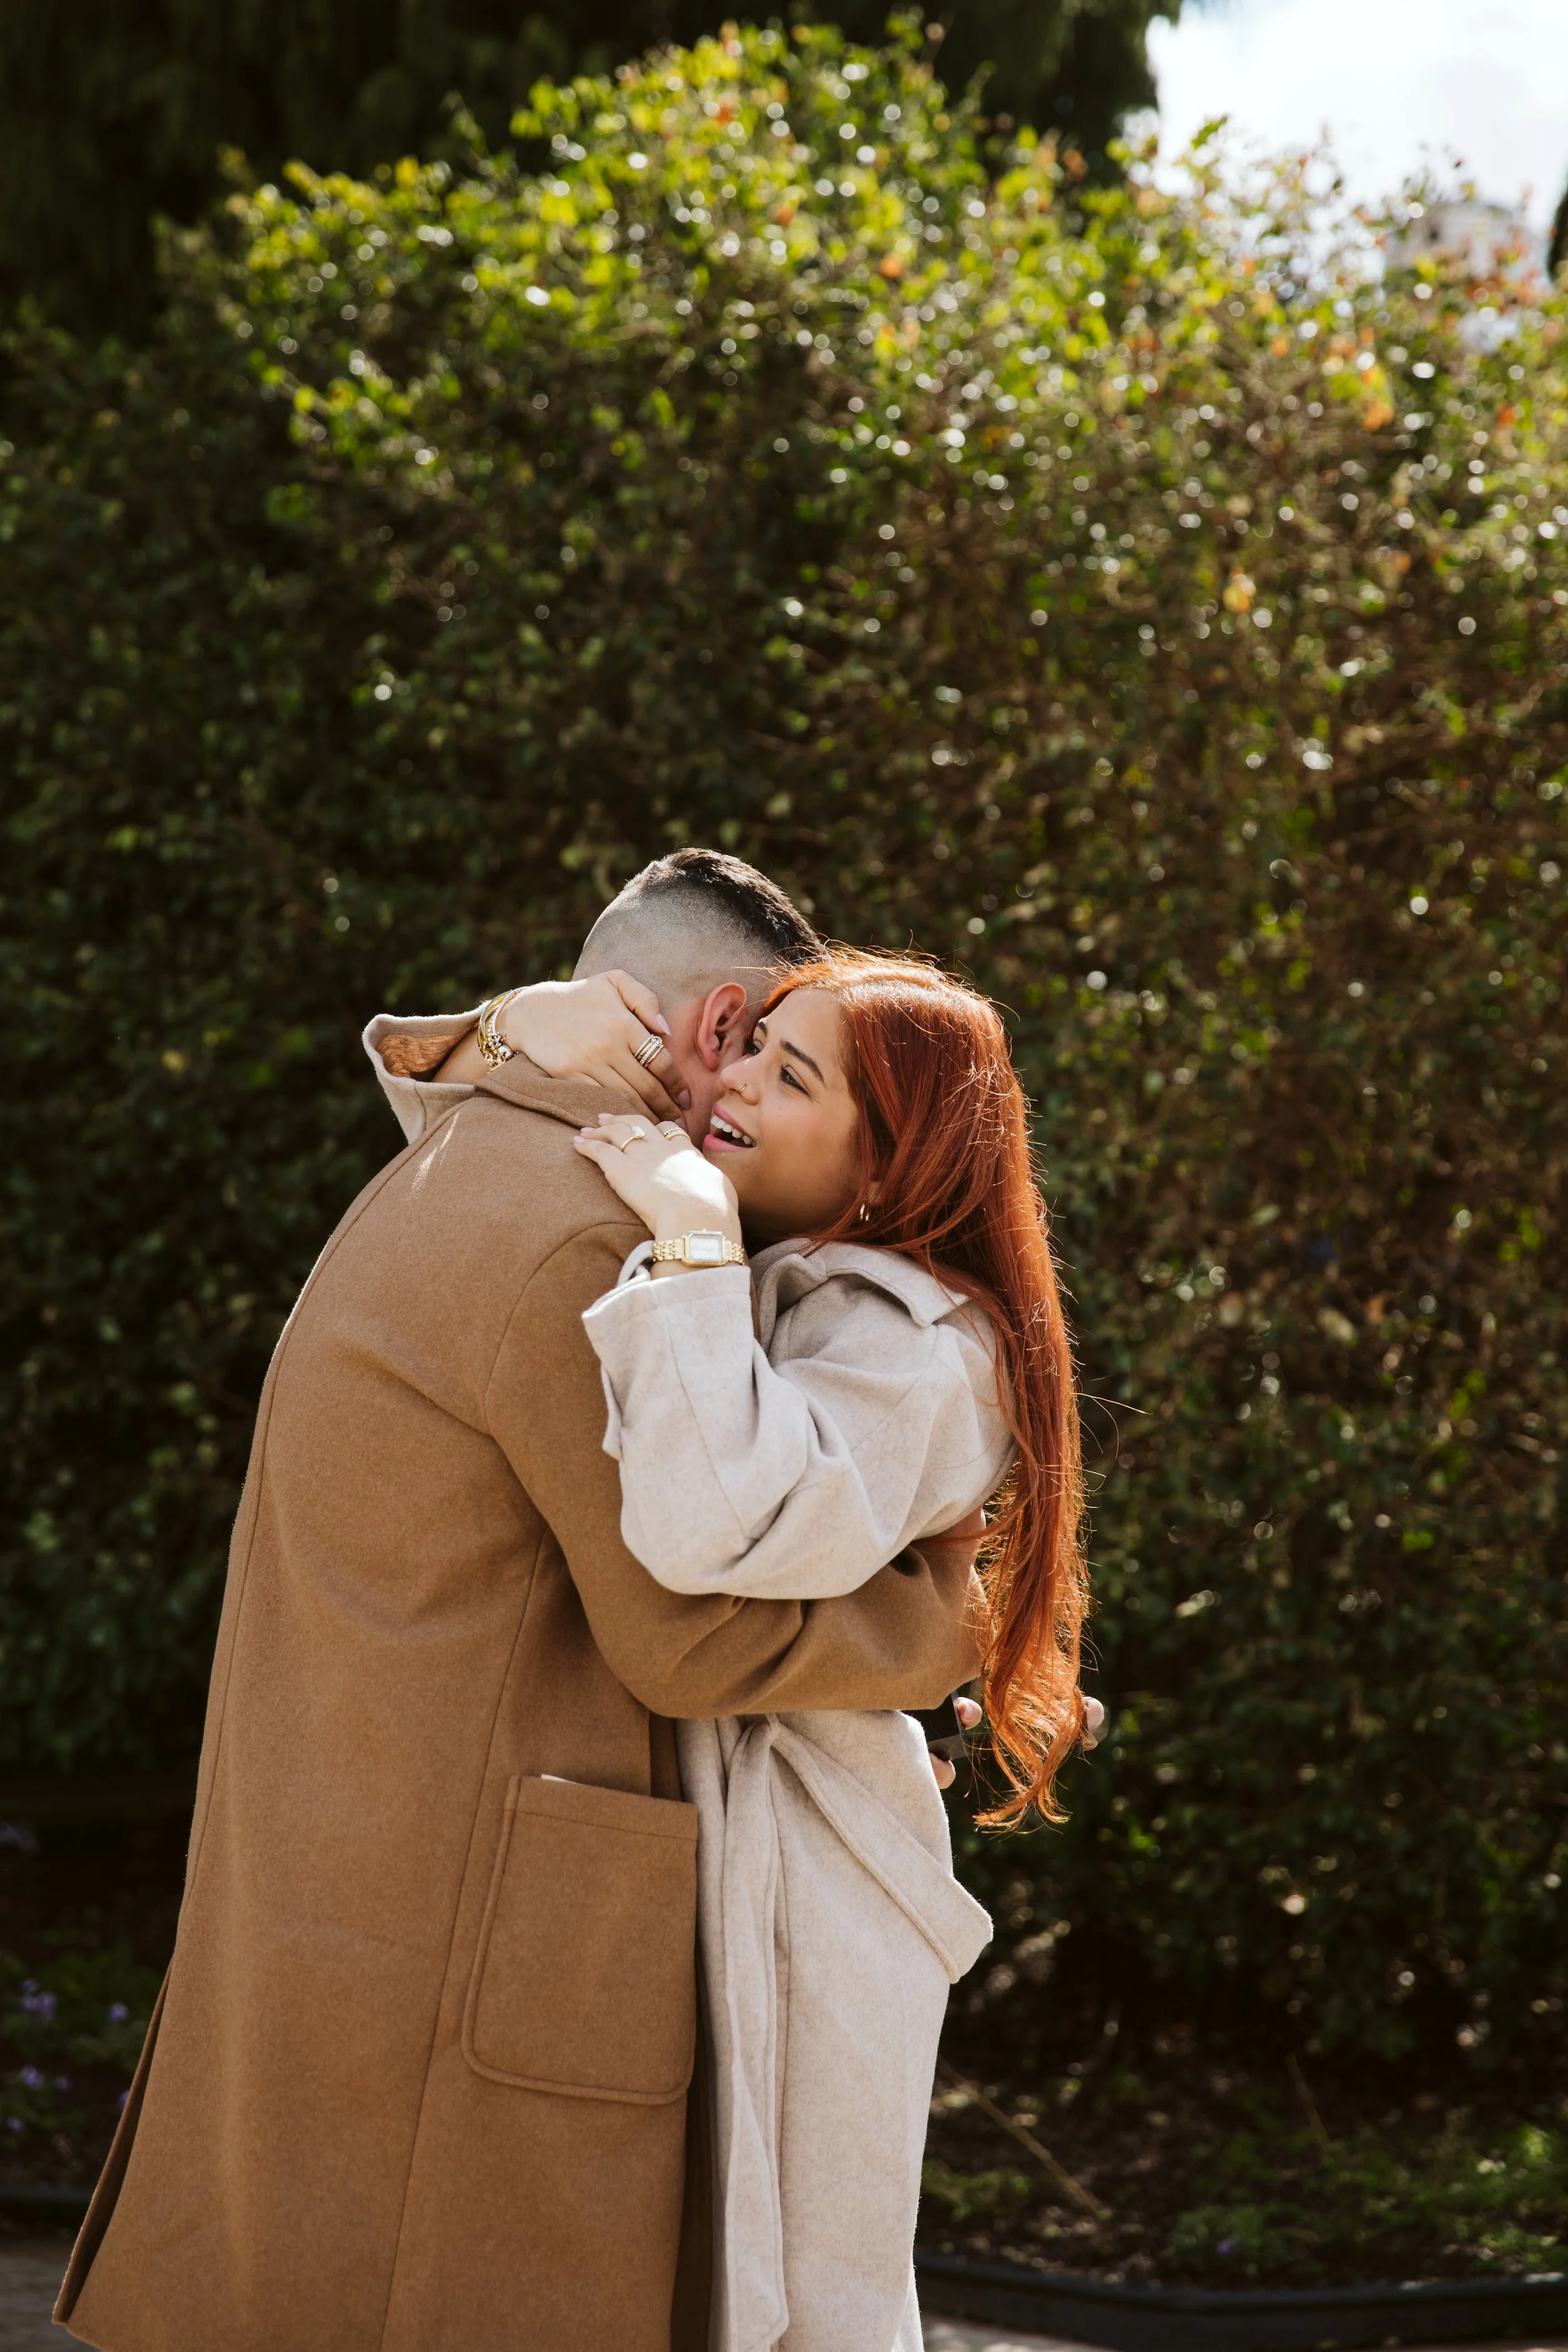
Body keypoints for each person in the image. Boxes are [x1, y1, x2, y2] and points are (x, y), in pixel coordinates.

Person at [55, 852, 985, 2352]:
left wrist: (497, 1024)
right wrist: (951, 1625)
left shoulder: (464, 1159)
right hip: (466, 1918)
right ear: (719, 1023)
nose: (755, 1089)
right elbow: (690, 1634)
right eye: (763, 1049)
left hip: (348, 1868)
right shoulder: (584, 1238)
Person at [570, 948, 1088, 2352]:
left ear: (888, 1161)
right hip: (712, 1853)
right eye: (750, 1046)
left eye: (789, 1074)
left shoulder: (926, 1349)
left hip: (812, 1885)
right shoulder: (787, 1274)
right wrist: (523, 1031)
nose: (734, 1080)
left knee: (807, 2309)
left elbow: (714, 1529)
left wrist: (690, 1240)